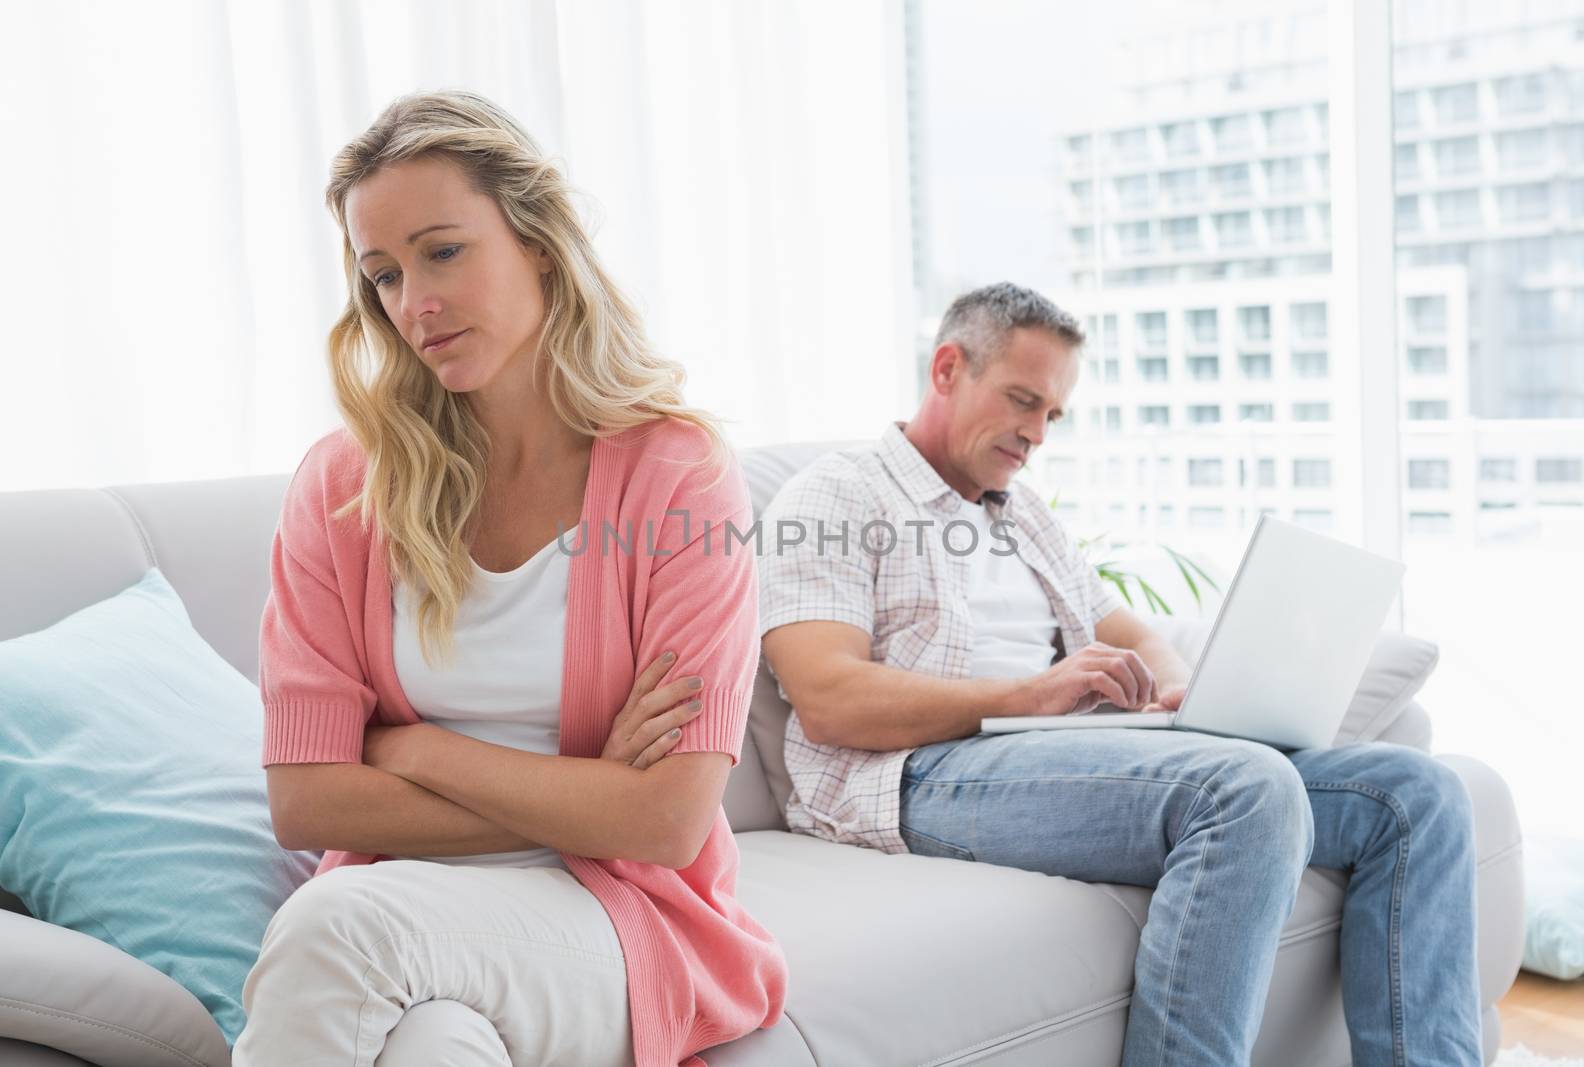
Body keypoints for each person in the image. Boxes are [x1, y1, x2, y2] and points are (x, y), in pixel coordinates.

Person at [757, 281, 1481, 1066]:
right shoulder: (839, 492)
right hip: (914, 773)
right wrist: (1032, 695)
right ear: (946, 369)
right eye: (1021, 400)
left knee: (1417, 795)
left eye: (1052, 415)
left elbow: (1133, 632)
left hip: (1050, 755)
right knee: (1243, 789)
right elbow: (828, 697)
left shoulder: (1021, 515)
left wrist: (1179, 692)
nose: (1035, 433)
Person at [234, 89, 786, 1067]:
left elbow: (662, 820)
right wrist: (590, 786)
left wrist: (412, 752)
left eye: (442, 251)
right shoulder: (343, 485)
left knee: (336, 924)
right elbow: (309, 800)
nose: (414, 303)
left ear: (536, 240)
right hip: (408, 906)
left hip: (615, 914)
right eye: (384, 275)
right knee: (426, 1044)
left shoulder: (679, 471)